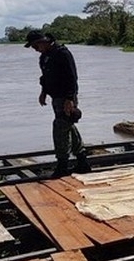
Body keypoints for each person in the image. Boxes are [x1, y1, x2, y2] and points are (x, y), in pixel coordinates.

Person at [25, 30, 91, 177]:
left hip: (66, 98)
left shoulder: (63, 53)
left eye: (36, 45)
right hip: (56, 98)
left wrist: (69, 100)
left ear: (44, 41)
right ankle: (82, 161)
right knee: (68, 127)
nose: (35, 49)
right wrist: (43, 92)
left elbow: (72, 78)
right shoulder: (44, 57)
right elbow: (45, 77)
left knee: (59, 128)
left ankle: (62, 165)